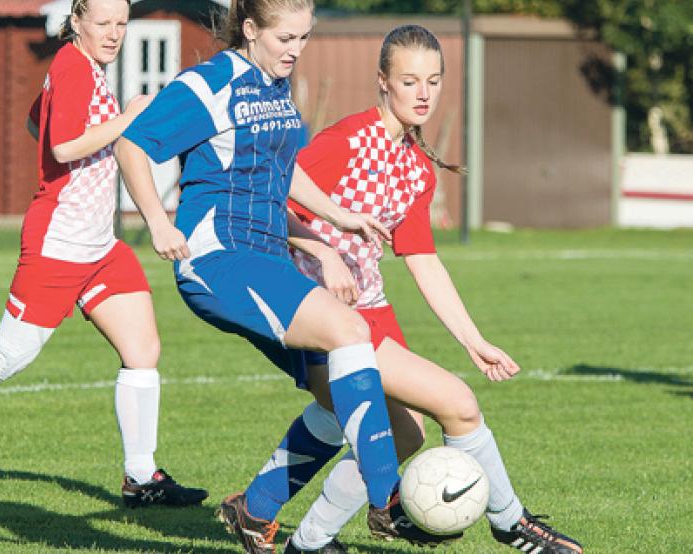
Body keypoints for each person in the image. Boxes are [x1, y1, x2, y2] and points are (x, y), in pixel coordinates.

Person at [232, 24, 584, 554]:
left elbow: (422, 260)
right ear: (383, 82)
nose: (423, 93)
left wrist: (473, 339)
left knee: (403, 435)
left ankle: (274, 520)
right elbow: (267, 199)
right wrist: (320, 254)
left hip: (373, 310)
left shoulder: (417, 166)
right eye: (410, 80)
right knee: (458, 405)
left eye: (434, 81)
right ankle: (512, 525)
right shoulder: (347, 141)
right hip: (321, 314)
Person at [115, 1, 450, 552]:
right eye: (285, 38)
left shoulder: (276, 87)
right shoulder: (209, 83)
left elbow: (285, 169)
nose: (295, 49)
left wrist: (339, 219)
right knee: (350, 330)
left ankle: (256, 509)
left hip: (266, 258)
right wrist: (156, 221)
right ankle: (388, 500)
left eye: (304, 38)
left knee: (332, 395)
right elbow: (133, 143)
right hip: (219, 259)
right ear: (250, 30)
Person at [0, 0, 207, 509]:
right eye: (103, 23)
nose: (115, 33)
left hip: (99, 245)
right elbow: (61, 147)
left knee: (142, 350)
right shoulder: (73, 65)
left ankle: (141, 477)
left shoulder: (84, 69)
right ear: (76, 21)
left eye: (122, 24)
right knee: (8, 355)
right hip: (59, 245)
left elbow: (40, 124)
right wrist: (127, 119)